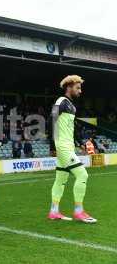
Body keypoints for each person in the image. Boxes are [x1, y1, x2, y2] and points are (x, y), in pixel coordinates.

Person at [48, 75, 97, 223]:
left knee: (60, 179)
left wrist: (79, 143)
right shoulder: (61, 102)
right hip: (62, 146)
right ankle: (79, 211)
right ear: (69, 87)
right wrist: (53, 145)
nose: (80, 91)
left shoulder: (72, 106)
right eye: (78, 87)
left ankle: (54, 211)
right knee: (82, 175)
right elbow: (52, 120)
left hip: (68, 145)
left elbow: (70, 128)